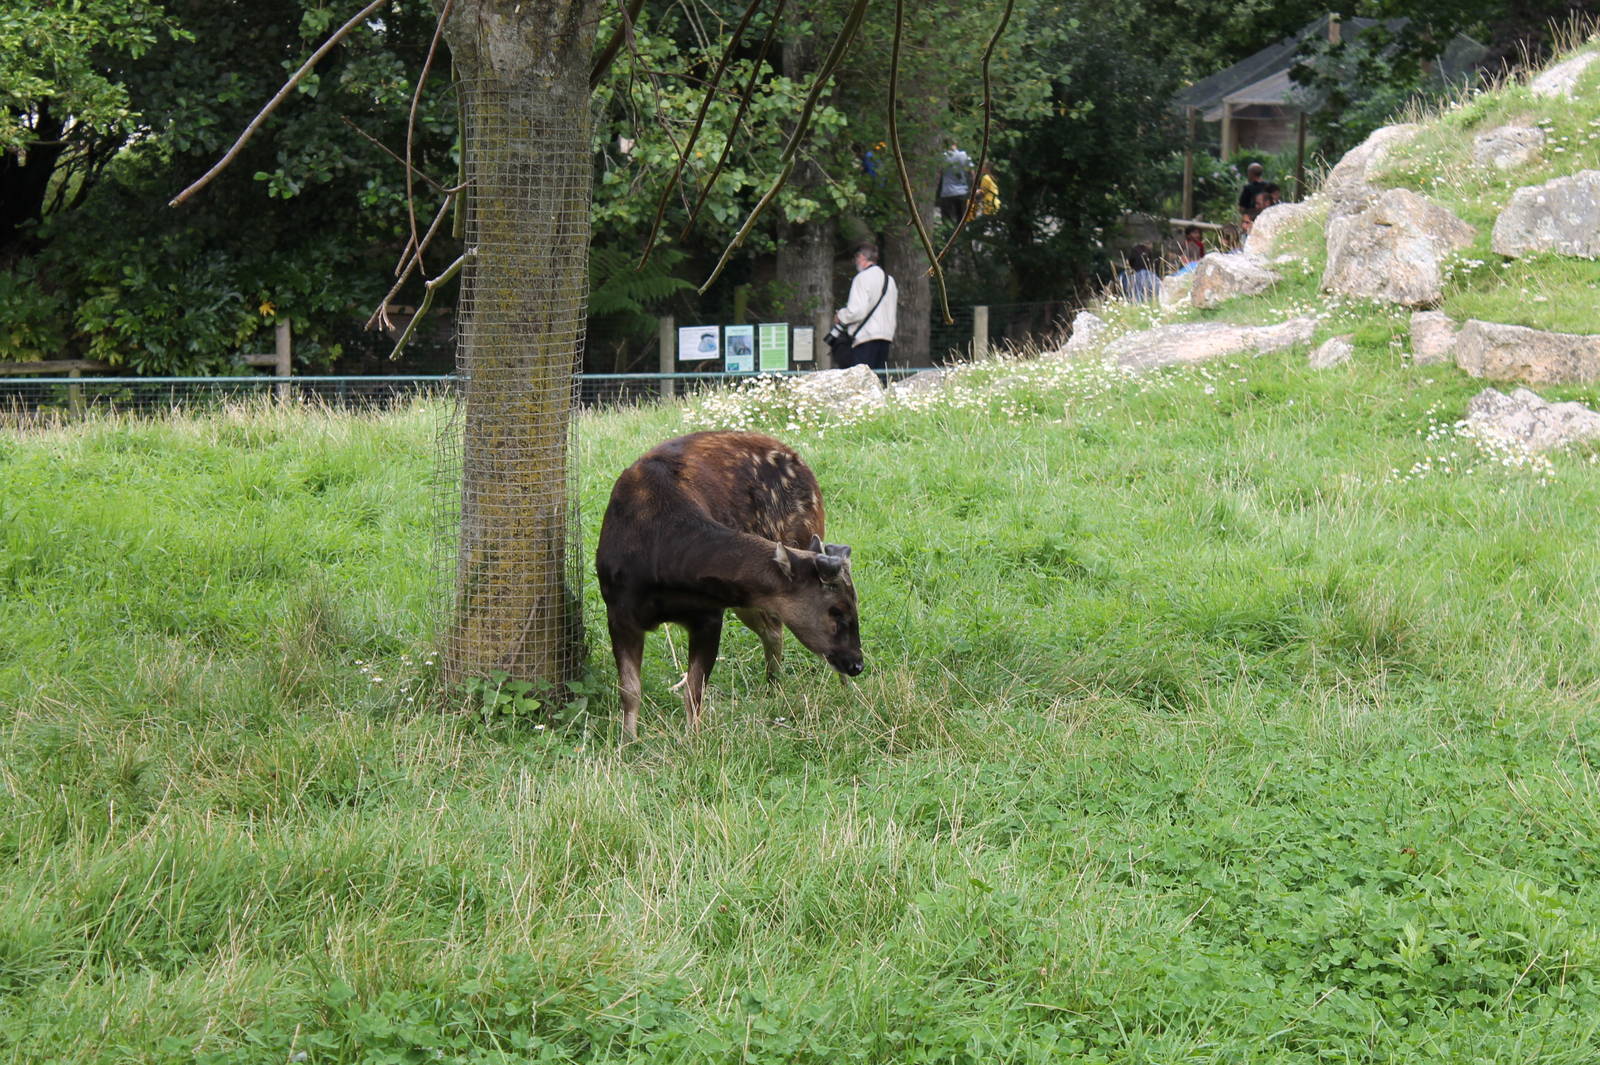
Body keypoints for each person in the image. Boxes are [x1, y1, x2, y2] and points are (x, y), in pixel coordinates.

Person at [833, 243, 897, 371]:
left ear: (861, 257)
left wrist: (840, 315)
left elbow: (856, 311)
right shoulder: (889, 280)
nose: (855, 262)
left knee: (862, 382)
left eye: (856, 258)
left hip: (865, 337)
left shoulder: (862, 278)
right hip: (886, 337)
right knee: (879, 379)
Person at [936, 143, 973, 223]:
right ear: (955, 144)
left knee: (947, 223)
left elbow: (938, 175)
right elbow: (971, 174)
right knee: (962, 222)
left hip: (947, 193)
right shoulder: (964, 155)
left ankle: (948, 235)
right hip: (962, 192)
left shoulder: (943, 157)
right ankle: (962, 234)